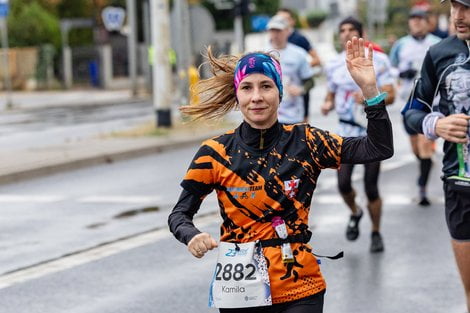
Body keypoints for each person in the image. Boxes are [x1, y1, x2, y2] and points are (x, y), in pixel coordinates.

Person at [168, 37, 394, 312]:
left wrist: (370, 89)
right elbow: (179, 214)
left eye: (266, 86)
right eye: (247, 88)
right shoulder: (215, 152)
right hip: (241, 289)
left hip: (300, 285)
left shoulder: (307, 141)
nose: (257, 97)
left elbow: (377, 148)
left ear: (279, 93)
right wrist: (191, 235)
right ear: (237, 96)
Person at [402, 0, 470, 310]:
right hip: (460, 183)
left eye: (468, 8)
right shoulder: (440, 53)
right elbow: (412, 112)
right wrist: (437, 123)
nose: (459, 15)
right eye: (455, 7)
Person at [321, 17, 395, 253]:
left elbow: (391, 95)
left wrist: (369, 95)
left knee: (371, 187)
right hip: (345, 133)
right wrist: (327, 103)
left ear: (360, 33)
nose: (346, 33)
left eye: (351, 29)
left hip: (370, 131)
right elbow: (330, 94)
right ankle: (355, 211)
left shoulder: (379, 60)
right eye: (342, 30)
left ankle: (376, 232)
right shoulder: (333, 63)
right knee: (343, 185)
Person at [389, 8, 441, 206]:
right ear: (409, 23)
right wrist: (402, 73)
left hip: (432, 102)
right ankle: (425, 162)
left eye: (421, 19)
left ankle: (422, 188)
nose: (417, 23)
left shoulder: (437, 43)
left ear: (427, 22)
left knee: (425, 145)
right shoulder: (401, 45)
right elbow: (391, 67)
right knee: (416, 149)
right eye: (413, 20)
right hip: (410, 101)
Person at [266, 14, 315, 124]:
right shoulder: (261, 54)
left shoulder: (299, 54)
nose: (275, 34)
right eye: (272, 30)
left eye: (278, 30)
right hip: (268, 116)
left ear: (287, 31)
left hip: (293, 116)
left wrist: (301, 89)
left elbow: (310, 82)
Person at [276, 8, 322, 123]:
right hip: (281, 91)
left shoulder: (299, 39)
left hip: (299, 86)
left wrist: (299, 67)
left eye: (285, 19)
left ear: (292, 21)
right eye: (279, 18)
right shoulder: (273, 39)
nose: (281, 21)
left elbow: (317, 60)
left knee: (301, 128)